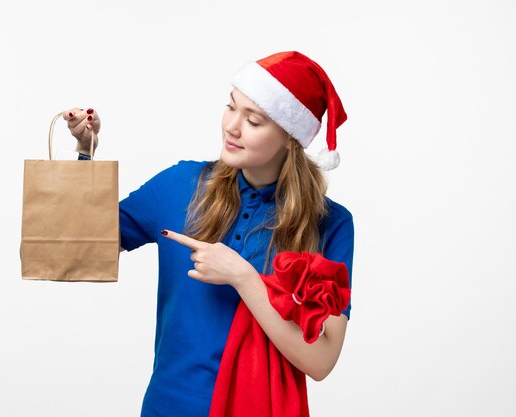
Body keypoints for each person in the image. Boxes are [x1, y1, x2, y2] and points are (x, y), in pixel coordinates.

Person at [65, 51, 354, 417]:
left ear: (290, 137)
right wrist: (85, 153)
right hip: (168, 407)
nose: (232, 126)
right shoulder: (181, 185)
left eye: (253, 120)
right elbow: (80, 245)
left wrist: (244, 278)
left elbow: (321, 360)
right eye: (230, 107)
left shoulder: (329, 223)